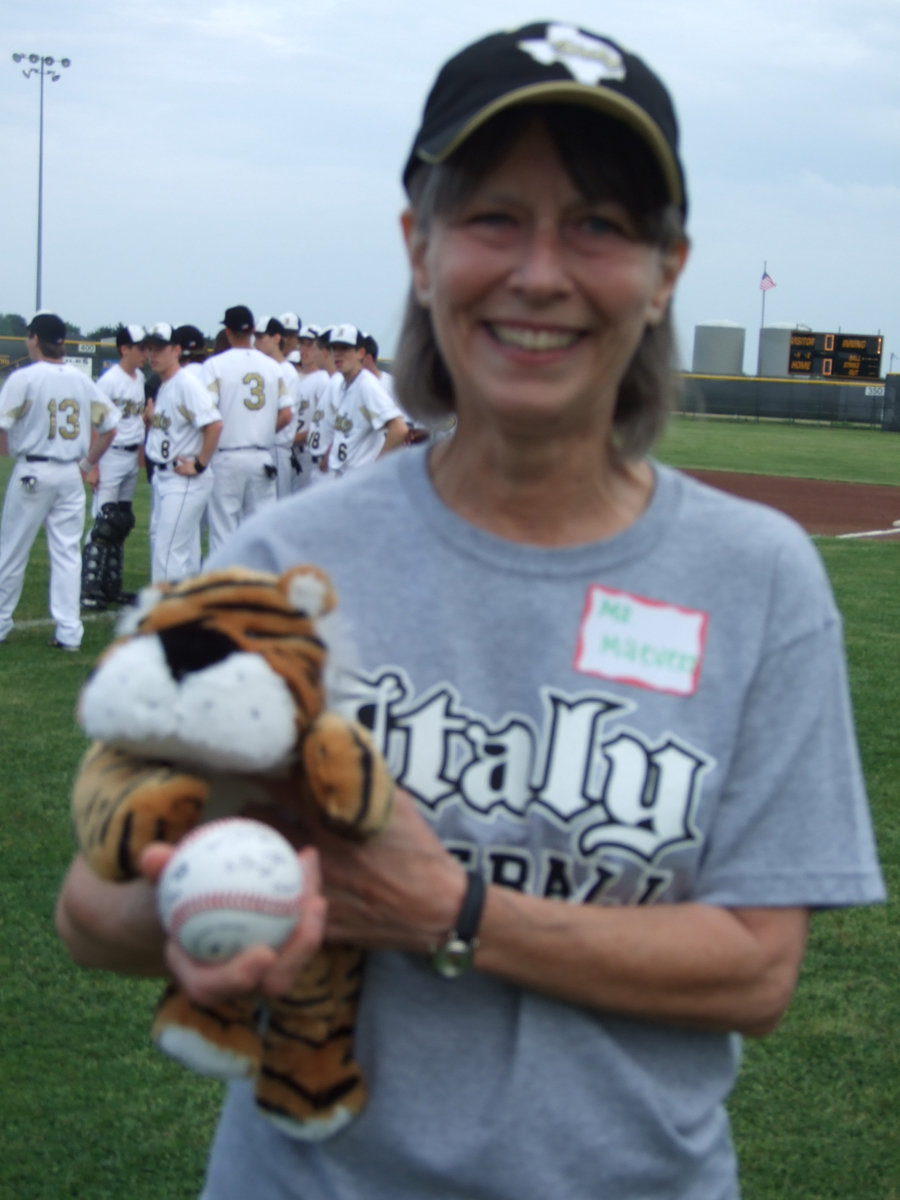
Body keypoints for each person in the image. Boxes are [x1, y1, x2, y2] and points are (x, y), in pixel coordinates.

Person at [56, 22, 885, 1199]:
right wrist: (219, 885)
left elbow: (754, 970)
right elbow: (90, 909)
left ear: (665, 271)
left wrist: (451, 910)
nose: (540, 272)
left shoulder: (757, 577)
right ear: (420, 246)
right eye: (494, 215)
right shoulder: (285, 556)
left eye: (598, 224)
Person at [0, 312, 118, 650]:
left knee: (12, 551)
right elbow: (111, 425)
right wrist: (87, 463)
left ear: (35, 339)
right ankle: (69, 632)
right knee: (67, 554)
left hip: (34, 470)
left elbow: (2, 426)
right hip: (69, 472)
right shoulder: (80, 379)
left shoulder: (24, 378)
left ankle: (1, 623)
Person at [201, 305, 294, 553]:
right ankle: (259, 589)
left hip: (227, 456)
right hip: (262, 456)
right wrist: (262, 429)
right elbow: (286, 415)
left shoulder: (214, 365)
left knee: (223, 534)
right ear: (253, 331)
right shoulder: (273, 367)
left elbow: (206, 415)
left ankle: (227, 590)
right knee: (261, 533)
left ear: (228, 331)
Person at [143, 322, 222, 582]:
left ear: (177, 350)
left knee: (168, 553)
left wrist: (199, 464)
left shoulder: (186, 383)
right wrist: (152, 421)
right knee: (184, 552)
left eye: (160, 348)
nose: (153, 354)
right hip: (167, 476)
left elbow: (214, 424)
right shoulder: (167, 384)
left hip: (184, 478)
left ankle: (165, 619)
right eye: (150, 348)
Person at [81, 323, 148, 610]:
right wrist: (92, 465)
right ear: (124, 349)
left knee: (120, 521)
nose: (145, 352)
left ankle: (111, 585)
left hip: (130, 457)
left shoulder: (140, 377)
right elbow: (95, 422)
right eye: (140, 347)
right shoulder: (109, 381)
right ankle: (88, 586)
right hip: (110, 455)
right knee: (102, 522)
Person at [325, 323, 408, 477]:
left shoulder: (366, 385)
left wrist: (376, 467)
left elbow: (399, 428)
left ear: (360, 353)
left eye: (345, 348)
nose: (337, 354)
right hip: (343, 474)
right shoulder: (346, 384)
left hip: (358, 474)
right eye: (334, 348)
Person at [253, 315, 302, 499]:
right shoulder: (262, 369)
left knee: (278, 503)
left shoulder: (288, 372)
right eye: (255, 337)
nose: (256, 342)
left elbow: (284, 415)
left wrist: (256, 433)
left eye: (260, 337)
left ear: (276, 338)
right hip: (261, 447)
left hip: (278, 446)